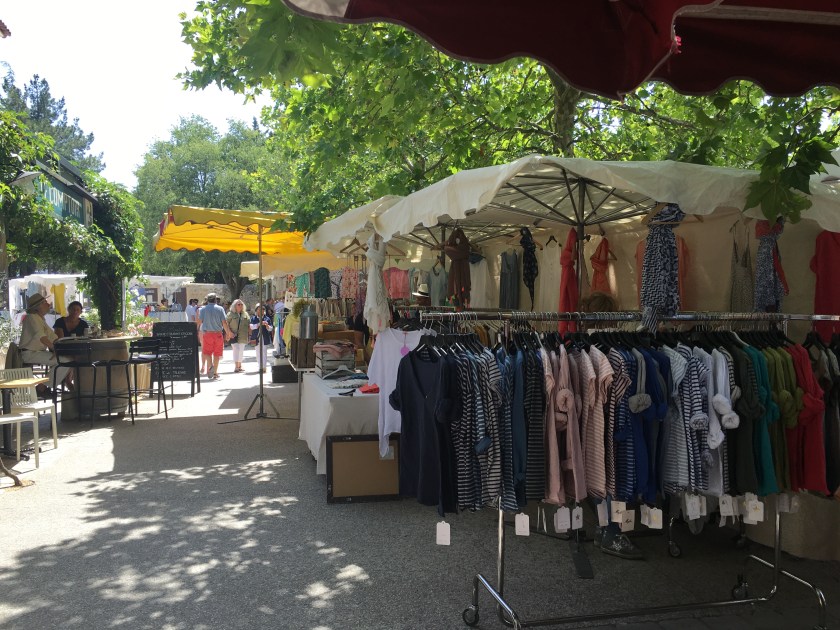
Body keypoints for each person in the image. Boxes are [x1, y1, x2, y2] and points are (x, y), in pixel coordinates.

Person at [18, 292, 66, 398]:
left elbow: (52, 337)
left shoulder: (41, 319)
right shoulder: (31, 318)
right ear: (37, 307)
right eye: (44, 302)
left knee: (67, 360)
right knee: (65, 361)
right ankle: (42, 387)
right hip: (30, 353)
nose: (48, 304)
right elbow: (42, 337)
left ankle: (42, 387)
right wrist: (54, 348)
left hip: (37, 352)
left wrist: (64, 343)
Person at [196, 292, 233, 380]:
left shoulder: (203, 309)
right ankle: (215, 373)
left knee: (207, 352)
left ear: (207, 300)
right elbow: (224, 322)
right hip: (218, 334)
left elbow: (199, 322)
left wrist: (197, 331)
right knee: (217, 354)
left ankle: (210, 366)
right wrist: (228, 333)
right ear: (216, 300)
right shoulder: (220, 309)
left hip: (207, 333)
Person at [226, 299, 250, 373]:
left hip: (243, 335)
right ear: (235, 306)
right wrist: (229, 333)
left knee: (241, 350)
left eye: (241, 304)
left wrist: (250, 335)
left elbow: (249, 325)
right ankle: (236, 366)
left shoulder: (245, 314)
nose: (240, 306)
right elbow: (226, 324)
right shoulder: (230, 314)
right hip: (233, 334)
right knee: (236, 349)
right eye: (238, 304)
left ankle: (240, 365)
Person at [250, 303, 273, 373]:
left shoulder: (267, 318)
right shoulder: (253, 318)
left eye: (263, 309)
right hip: (256, 338)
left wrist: (267, 326)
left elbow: (271, 328)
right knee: (258, 352)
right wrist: (259, 324)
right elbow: (251, 327)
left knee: (264, 352)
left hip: (264, 338)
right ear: (256, 310)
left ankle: (264, 367)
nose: (262, 311)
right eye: (260, 309)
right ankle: (260, 366)